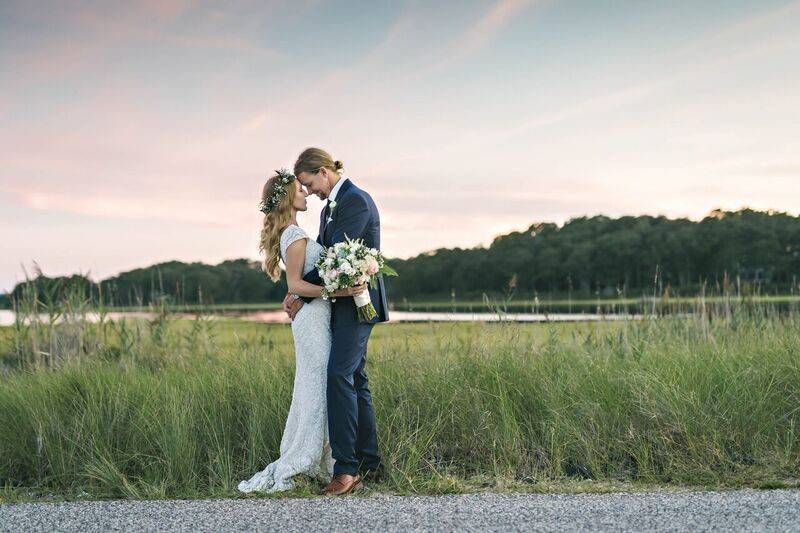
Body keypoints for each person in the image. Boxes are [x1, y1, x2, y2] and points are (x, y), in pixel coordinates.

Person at [237, 168, 366, 494]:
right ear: (286, 198)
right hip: (311, 321)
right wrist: (340, 292)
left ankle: (328, 463)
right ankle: (305, 460)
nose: (306, 192)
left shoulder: (296, 231)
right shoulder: (293, 236)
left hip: (318, 317)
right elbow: (296, 284)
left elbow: (300, 283)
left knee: (319, 384)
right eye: (299, 189)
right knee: (318, 384)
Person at [284, 147, 390, 496]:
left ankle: (346, 469)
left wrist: (299, 290)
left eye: (308, 182)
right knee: (356, 377)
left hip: (359, 303)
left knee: (339, 374)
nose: (309, 190)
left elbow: (335, 260)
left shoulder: (355, 201)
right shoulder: (331, 207)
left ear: (323, 172)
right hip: (341, 304)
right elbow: (332, 261)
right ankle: (369, 462)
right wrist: (299, 289)